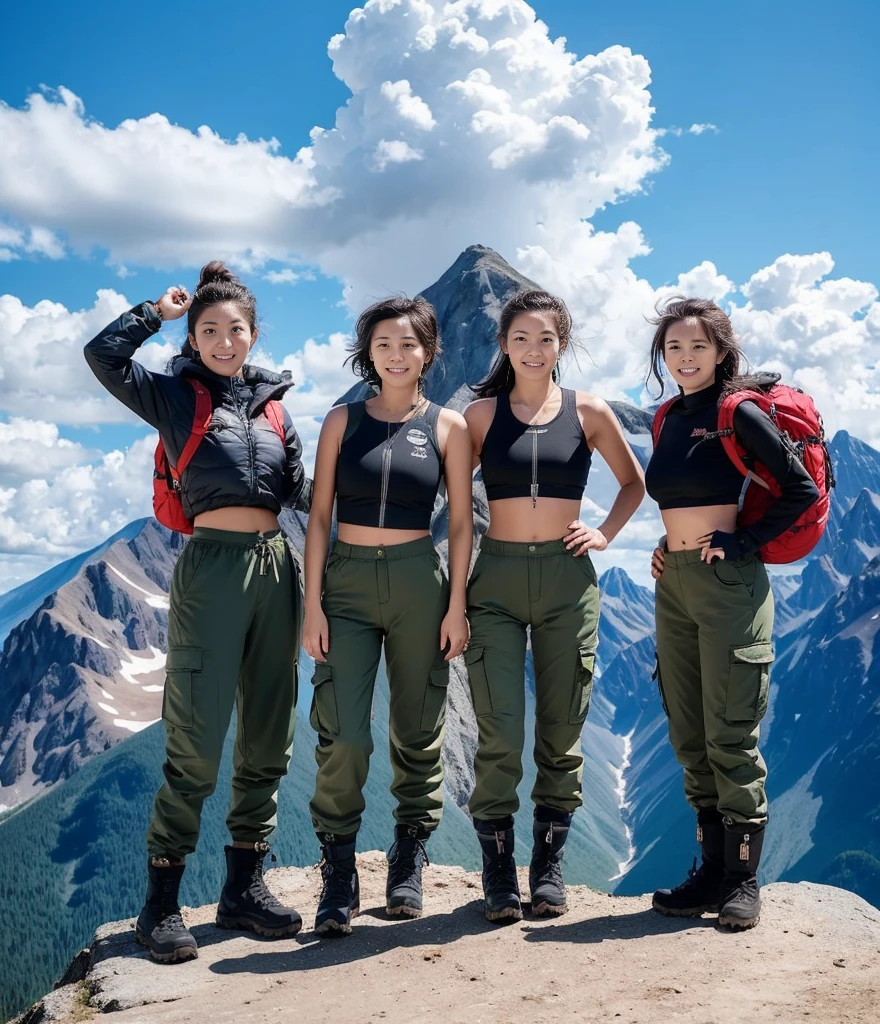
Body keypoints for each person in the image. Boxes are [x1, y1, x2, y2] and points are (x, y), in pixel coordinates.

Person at [84, 263, 311, 962]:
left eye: (234, 329)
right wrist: (154, 312)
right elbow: (103, 357)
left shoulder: (276, 408)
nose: (223, 340)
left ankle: (243, 887)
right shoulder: (174, 397)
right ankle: (160, 903)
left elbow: (302, 491)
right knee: (196, 733)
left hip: (277, 568)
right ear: (194, 335)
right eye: (208, 329)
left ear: (253, 333)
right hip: (212, 567)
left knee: (269, 731)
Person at [463, 290, 645, 922]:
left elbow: (633, 483)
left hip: (569, 579)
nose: (533, 349)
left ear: (561, 344)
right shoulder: (479, 417)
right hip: (497, 580)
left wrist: (605, 533)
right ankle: (496, 874)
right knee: (500, 732)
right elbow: (456, 507)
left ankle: (547, 869)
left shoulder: (588, 411)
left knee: (563, 728)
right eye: (521, 338)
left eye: (546, 338)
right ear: (504, 345)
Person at [645, 297, 819, 929]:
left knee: (730, 731)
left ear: (721, 352)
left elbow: (800, 488)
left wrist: (741, 544)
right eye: (674, 348)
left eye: (697, 347)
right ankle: (710, 874)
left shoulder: (736, 412)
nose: (685, 358)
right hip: (678, 581)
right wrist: (668, 547)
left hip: (729, 583)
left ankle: (743, 880)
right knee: (689, 731)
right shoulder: (668, 417)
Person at [302, 296, 472, 935]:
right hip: (344, 581)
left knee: (417, 724)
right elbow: (318, 516)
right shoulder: (341, 421)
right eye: (383, 344)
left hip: (417, 581)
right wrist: (312, 602)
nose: (395, 355)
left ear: (427, 351)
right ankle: (339, 870)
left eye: (407, 344)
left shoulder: (449, 427)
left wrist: (456, 604)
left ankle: (407, 857)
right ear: (367, 353)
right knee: (343, 730)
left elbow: (459, 523)